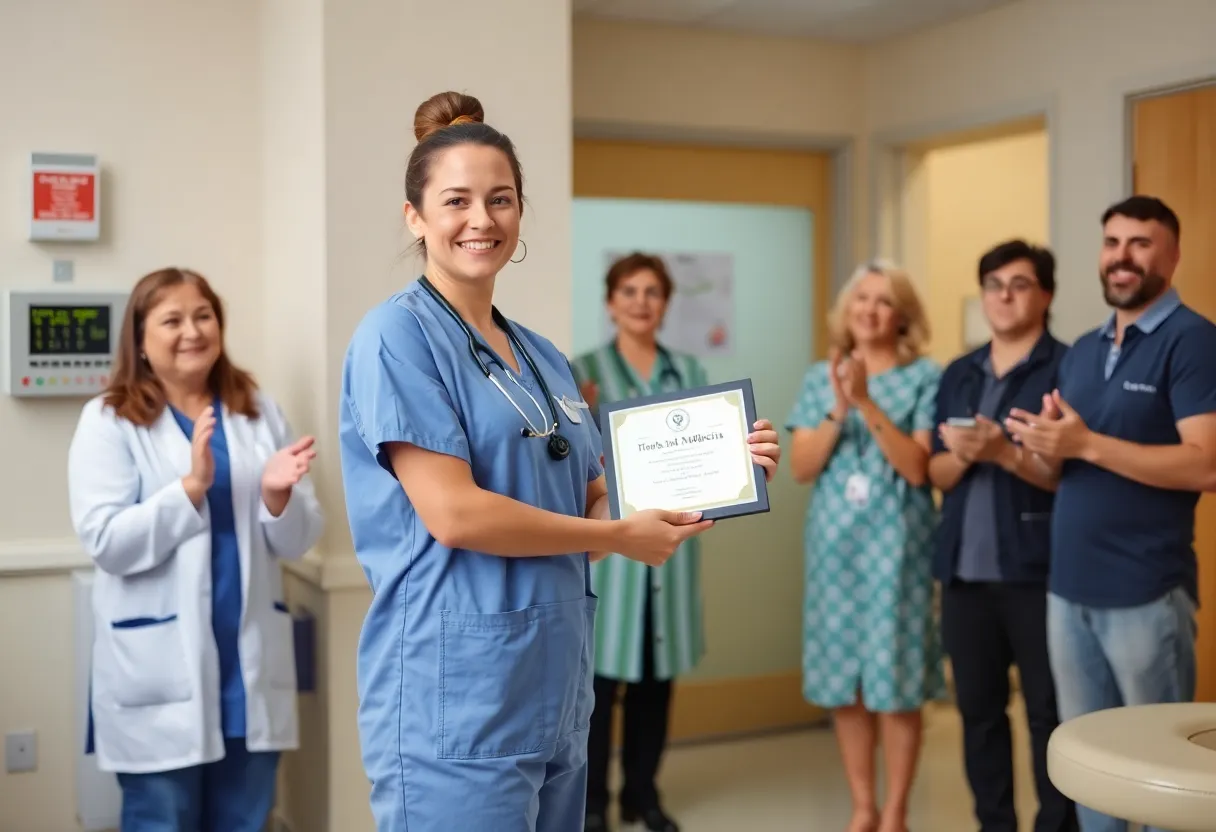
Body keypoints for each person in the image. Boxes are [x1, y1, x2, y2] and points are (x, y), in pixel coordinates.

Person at [336, 91, 783, 832]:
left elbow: (601, 497)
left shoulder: (542, 356)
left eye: (501, 199)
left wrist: (716, 472)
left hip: (553, 689)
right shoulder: (395, 338)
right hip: (458, 697)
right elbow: (454, 514)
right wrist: (616, 538)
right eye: (456, 201)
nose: (481, 219)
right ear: (416, 216)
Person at [66, 267, 324, 832]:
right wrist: (190, 488)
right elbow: (106, 542)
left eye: (203, 315)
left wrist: (278, 495)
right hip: (160, 671)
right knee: (161, 819)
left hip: (247, 667)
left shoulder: (257, 412)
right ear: (139, 338)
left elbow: (300, 538)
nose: (192, 331)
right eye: (172, 319)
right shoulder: (109, 421)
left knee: (246, 821)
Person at [1005, 196, 1216, 832]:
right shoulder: (1084, 349)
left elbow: (1206, 464)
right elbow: (1059, 468)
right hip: (1068, 590)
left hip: (1144, 591)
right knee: (1091, 772)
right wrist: (1023, 448)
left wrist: (1085, 443)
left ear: (1172, 255)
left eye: (1140, 243)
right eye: (1112, 242)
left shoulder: (1193, 341)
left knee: (1156, 783)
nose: (1121, 257)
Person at [786, 260, 943, 832]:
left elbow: (920, 468)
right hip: (835, 550)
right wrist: (840, 403)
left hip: (898, 548)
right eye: (861, 299)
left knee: (895, 685)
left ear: (902, 315)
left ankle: (897, 811)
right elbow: (801, 467)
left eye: (882, 300)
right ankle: (862, 808)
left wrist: (869, 404)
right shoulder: (817, 377)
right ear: (846, 311)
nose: (869, 309)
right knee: (845, 686)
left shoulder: (925, 377)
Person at [929, 240, 1077, 832]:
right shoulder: (958, 373)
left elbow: (1069, 477)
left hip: (1038, 573)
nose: (1005, 295)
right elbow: (935, 472)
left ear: (1045, 294)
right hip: (964, 575)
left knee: (1049, 715)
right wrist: (968, 456)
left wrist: (1001, 452)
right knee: (979, 715)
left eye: (1020, 284)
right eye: (994, 284)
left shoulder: (1068, 367)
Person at [570, 252, 710, 832]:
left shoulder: (690, 373)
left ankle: (643, 795)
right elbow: (574, 467)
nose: (640, 302)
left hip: (672, 553)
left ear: (665, 303)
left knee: (657, 686)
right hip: (613, 553)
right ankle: (595, 802)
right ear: (610, 302)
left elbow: (709, 453)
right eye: (628, 291)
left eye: (652, 292)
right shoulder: (581, 372)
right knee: (601, 691)